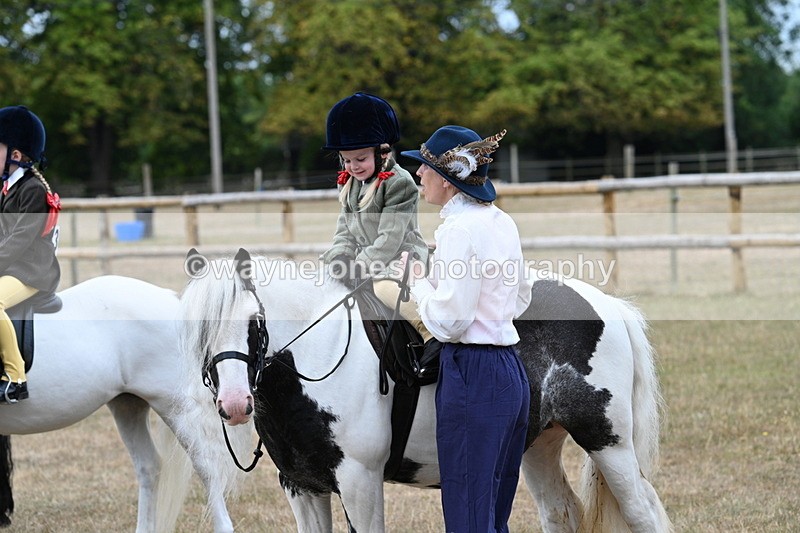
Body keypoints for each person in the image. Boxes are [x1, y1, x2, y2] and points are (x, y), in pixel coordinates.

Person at [399, 125, 532, 532]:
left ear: (446, 179)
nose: (418, 175)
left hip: (473, 373)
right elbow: (521, 297)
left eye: (424, 168)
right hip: (511, 373)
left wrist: (418, 280)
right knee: (493, 511)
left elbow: (451, 323)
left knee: (469, 515)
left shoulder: (458, 231)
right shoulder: (501, 221)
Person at [319, 92, 434, 350]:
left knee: (385, 289)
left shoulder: (399, 183)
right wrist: (340, 257)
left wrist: (359, 266)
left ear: (381, 153)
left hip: (400, 256)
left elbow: (389, 239)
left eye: (360, 159)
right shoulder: (351, 183)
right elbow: (344, 230)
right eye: (346, 160)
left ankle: (431, 335)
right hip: (366, 258)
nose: (353, 166)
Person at [0, 105, 61, 403]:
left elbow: (18, 241)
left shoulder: (32, 190)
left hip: (30, 271)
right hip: (12, 267)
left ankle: (15, 378)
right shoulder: (7, 189)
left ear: (15, 155)